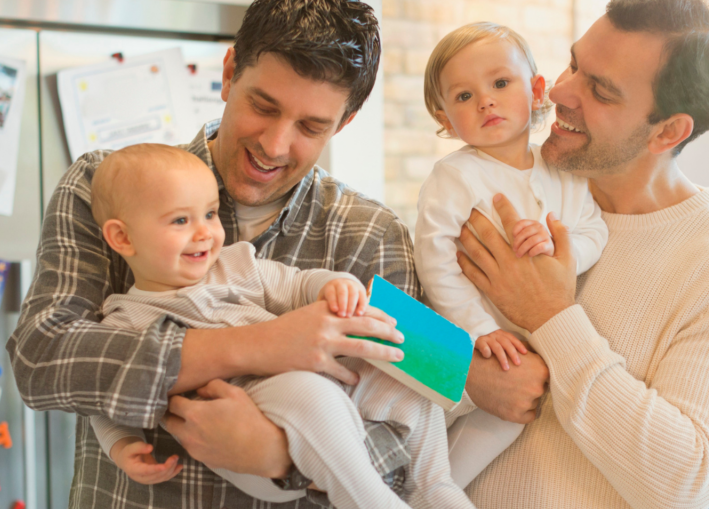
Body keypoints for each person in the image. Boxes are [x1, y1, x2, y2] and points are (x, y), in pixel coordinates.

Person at [8, 0, 421, 509]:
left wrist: (282, 457)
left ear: (344, 124)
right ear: (229, 74)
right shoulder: (104, 186)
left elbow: (402, 448)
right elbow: (43, 361)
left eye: (310, 126)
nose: (274, 145)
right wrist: (255, 346)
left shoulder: (372, 233)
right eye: (264, 106)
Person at [455, 0, 709, 508]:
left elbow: (681, 485)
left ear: (668, 132)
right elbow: (397, 333)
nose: (560, 92)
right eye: (572, 65)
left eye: (602, 91)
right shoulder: (504, 191)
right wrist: (466, 374)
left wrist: (550, 316)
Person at [86, 143, 474, 509]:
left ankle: (435, 487)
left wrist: (333, 285)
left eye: (209, 214)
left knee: (395, 368)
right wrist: (121, 443)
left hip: (325, 394)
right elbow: (102, 397)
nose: (205, 232)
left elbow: (296, 284)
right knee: (307, 390)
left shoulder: (234, 265)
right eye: (181, 220)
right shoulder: (124, 319)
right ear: (122, 237)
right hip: (243, 427)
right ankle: (371, 499)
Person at [413, 22, 608, 487]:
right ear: (444, 119)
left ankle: (436, 493)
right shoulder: (455, 177)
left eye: (500, 83)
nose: (486, 101)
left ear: (537, 90)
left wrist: (562, 254)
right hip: (465, 343)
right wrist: (476, 327)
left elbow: (593, 229)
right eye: (463, 96)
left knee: (506, 417)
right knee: (418, 422)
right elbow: (434, 257)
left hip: (526, 355)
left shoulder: (562, 171)